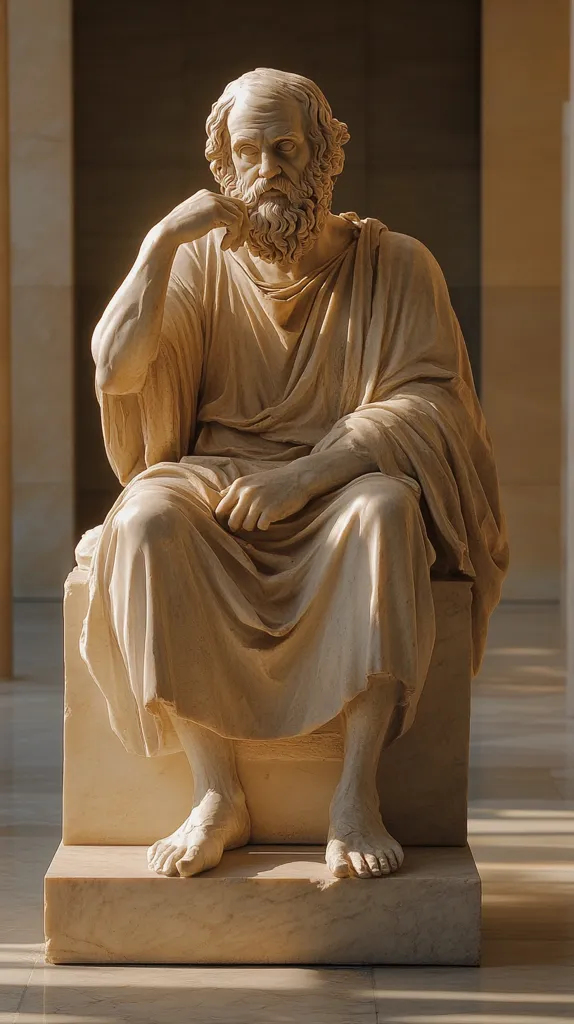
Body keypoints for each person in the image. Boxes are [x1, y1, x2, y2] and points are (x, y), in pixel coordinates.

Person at [83, 68, 508, 880]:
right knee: (143, 519)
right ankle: (217, 793)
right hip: (217, 480)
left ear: (325, 155)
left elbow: (431, 406)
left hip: (341, 483)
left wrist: (308, 476)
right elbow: (116, 369)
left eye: (286, 148)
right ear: (224, 165)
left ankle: (356, 794)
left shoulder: (398, 266)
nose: (269, 170)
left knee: (387, 513)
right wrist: (160, 242)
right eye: (249, 152)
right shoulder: (201, 263)